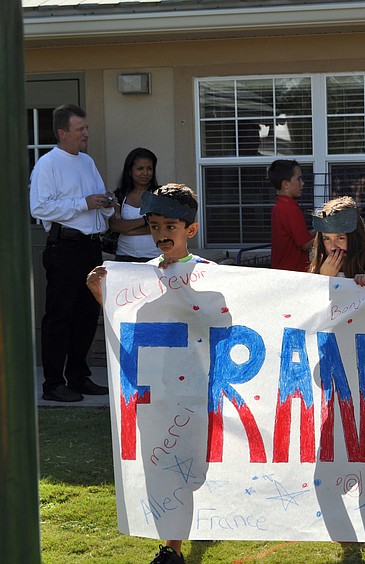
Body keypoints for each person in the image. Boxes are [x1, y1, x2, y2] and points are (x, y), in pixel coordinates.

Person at [86, 183, 207, 564]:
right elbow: (126, 325)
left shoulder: (210, 274)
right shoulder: (139, 276)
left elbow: (224, 320)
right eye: (154, 226)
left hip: (198, 391)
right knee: (163, 467)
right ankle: (171, 548)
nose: (160, 235)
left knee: (197, 470)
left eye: (170, 226)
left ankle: (202, 527)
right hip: (155, 393)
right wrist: (102, 295)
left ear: (191, 230)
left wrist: (185, 291)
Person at [29, 104, 114, 402]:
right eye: (80, 129)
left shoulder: (88, 163)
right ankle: (53, 383)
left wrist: (105, 206)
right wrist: (83, 203)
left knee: (87, 315)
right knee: (59, 316)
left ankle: (78, 376)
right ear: (63, 132)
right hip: (64, 248)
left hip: (90, 247)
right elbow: (38, 207)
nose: (86, 134)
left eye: (86, 128)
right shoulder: (48, 164)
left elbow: (96, 201)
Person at [308, 196, 365, 284]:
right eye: (326, 239)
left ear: (356, 239)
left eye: (340, 238)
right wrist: (324, 278)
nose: (333, 246)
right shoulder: (314, 277)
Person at [108, 148, 161, 262]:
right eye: (140, 168)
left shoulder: (161, 195)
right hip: (124, 258)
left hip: (156, 259)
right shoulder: (119, 196)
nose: (145, 173)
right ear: (130, 171)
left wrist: (127, 230)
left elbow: (162, 227)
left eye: (149, 169)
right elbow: (115, 226)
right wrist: (146, 220)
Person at [269, 159, 312, 272]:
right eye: (298, 179)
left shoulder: (278, 206)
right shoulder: (290, 209)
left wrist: (315, 232)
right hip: (294, 275)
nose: (302, 183)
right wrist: (327, 233)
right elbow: (305, 244)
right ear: (286, 184)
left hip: (281, 271)